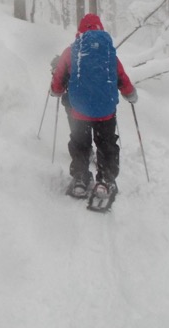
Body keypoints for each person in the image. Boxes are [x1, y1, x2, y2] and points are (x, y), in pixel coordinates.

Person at [50, 13, 137, 200]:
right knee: (107, 146)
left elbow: (59, 78)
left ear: (80, 31)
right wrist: (130, 94)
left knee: (80, 144)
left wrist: (56, 91)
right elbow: (121, 77)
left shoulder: (72, 51)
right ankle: (105, 181)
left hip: (79, 111)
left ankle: (80, 179)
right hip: (105, 112)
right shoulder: (108, 52)